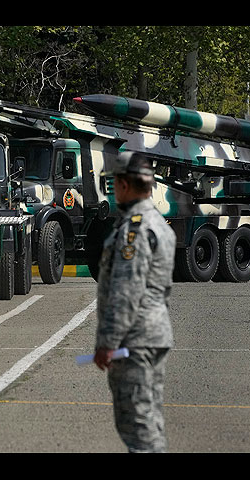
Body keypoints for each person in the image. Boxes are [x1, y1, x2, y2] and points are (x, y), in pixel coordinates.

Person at [93, 151, 176, 453]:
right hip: (154, 334)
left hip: (134, 339)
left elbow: (127, 290)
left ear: (126, 184)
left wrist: (108, 341)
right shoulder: (159, 225)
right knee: (150, 420)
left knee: (137, 425)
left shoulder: (134, 229)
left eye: (114, 183)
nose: (114, 189)